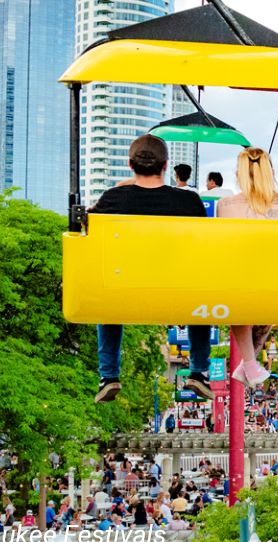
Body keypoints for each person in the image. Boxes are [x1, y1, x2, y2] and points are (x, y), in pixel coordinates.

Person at [87, 134, 212, 402]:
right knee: (203, 290)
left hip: (126, 291)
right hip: (180, 292)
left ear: (130, 165)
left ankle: (108, 375)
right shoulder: (188, 202)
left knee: (107, 296)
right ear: (166, 166)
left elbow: (89, 230)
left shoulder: (113, 199)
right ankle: (199, 371)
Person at [216, 147, 278, 386]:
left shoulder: (226, 206)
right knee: (267, 296)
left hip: (240, 282)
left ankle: (250, 363)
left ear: (239, 173)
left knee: (238, 294)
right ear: (271, 171)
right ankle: (249, 364)